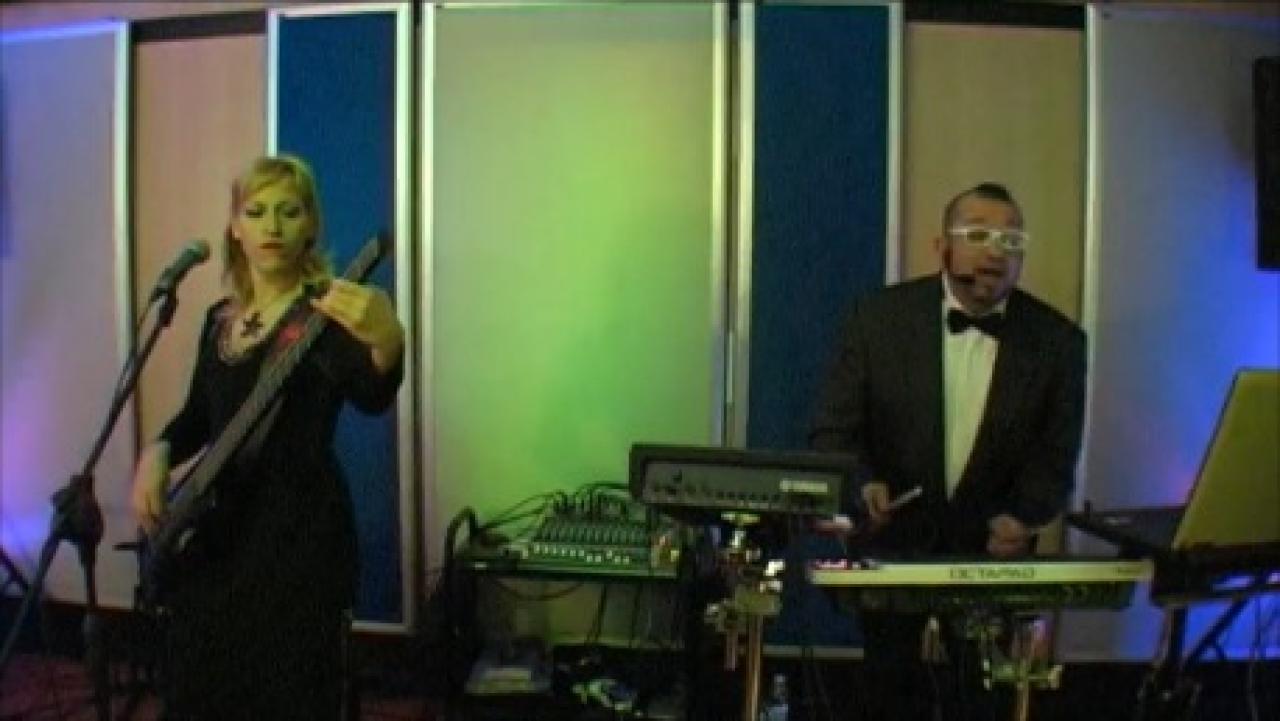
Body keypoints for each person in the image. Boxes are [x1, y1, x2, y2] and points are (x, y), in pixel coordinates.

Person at [130, 154, 404, 720]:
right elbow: (198, 418)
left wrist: (388, 343)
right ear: (235, 227)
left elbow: (372, 394)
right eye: (256, 212)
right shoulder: (218, 320)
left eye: (289, 211)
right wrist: (157, 452)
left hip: (299, 540)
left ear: (311, 225)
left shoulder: (326, 314)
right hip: (219, 535)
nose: (272, 226)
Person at [810, 182, 1086, 720]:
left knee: (984, 704)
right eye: (978, 235)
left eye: (1011, 240)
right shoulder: (876, 320)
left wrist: (1023, 517)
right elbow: (832, 433)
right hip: (893, 551)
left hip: (990, 561)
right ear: (942, 247)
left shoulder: (1058, 342)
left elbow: (1055, 457)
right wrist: (862, 486)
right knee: (886, 700)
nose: (995, 252)